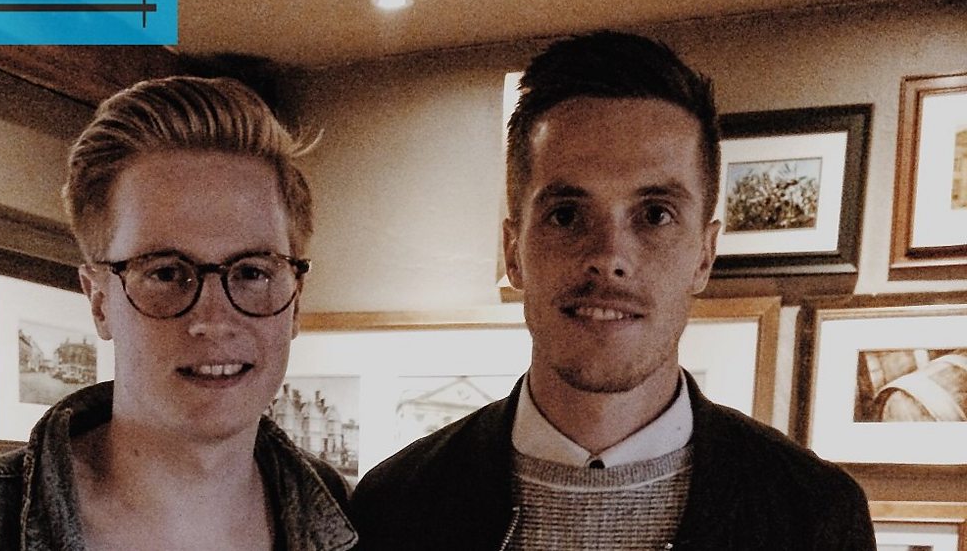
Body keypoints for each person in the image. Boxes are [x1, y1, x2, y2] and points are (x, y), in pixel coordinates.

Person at [350, 31, 875, 550]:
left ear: (704, 255)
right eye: (566, 215)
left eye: (655, 214)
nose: (609, 256)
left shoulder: (814, 517)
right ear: (513, 251)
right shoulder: (397, 506)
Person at [0, 77, 358, 550]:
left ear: (296, 299)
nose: (213, 319)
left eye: (252, 272)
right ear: (99, 300)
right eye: (166, 272)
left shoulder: (357, 522)